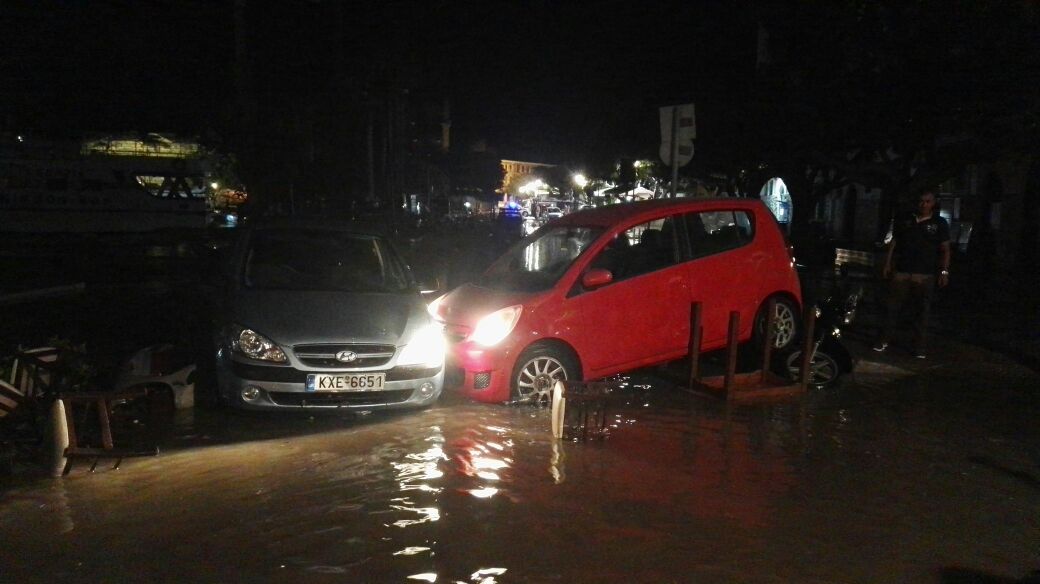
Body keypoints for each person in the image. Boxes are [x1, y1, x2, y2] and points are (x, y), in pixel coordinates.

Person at [873, 188, 951, 358]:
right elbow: (894, 242)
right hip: (902, 271)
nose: (923, 204)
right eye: (921, 201)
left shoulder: (939, 223)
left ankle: (919, 347)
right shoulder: (905, 220)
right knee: (892, 307)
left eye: (927, 201)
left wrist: (944, 270)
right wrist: (888, 263)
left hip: (925, 274)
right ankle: (884, 339)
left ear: (933, 203)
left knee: (922, 311)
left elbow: (945, 249)